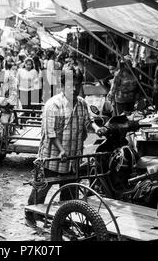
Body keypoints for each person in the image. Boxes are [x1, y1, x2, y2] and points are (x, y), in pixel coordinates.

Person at [25, 66, 105, 227]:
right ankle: (30, 215)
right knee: (42, 188)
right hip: (52, 156)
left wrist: (98, 129)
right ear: (62, 85)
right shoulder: (53, 104)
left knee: (69, 191)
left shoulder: (82, 104)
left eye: (77, 85)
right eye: (70, 85)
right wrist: (61, 150)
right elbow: (50, 132)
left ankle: (63, 219)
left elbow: (88, 122)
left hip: (73, 157)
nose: (74, 89)